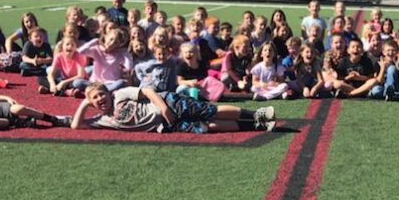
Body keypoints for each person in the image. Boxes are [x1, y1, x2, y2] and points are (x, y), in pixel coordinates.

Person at [72, 83, 276, 133]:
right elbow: (75, 126)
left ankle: (255, 114)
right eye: (94, 98)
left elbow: (148, 91)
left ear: (108, 93)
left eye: (101, 94)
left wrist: (164, 109)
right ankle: (255, 125)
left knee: (208, 111)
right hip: (165, 126)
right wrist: (83, 103)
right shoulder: (102, 120)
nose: (100, 98)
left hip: (169, 103)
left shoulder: (120, 94)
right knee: (208, 127)